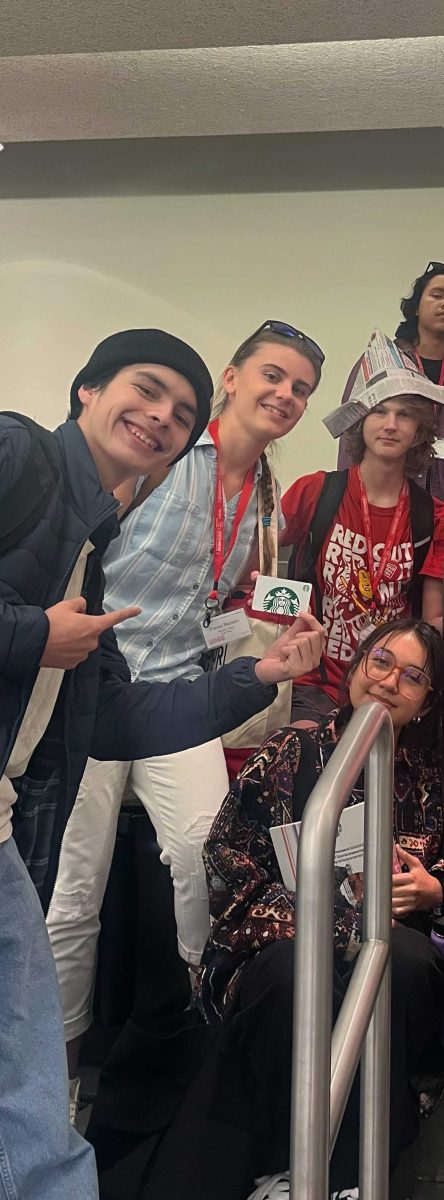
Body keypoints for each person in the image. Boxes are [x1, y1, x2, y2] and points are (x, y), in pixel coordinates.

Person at [0, 328, 326, 1200]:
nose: (285, 395)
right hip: (76, 683)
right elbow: (69, 576)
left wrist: (264, 660)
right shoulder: (81, 457)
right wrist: (41, 634)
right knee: (67, 896)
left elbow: (225, 601)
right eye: (271, 375)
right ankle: (57, 1094)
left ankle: (205, 1063)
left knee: (209, 858)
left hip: (146, 688)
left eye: (300, 387)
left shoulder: (263, 494)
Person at [144, 619, 444, 1200]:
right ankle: (302, 1167)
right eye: (381, 661)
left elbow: (440, 867)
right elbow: (229, 857)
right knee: (293, 975)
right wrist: (324, 921)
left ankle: (338, 1173)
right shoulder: (292, 748)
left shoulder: (428, 778)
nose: (389, 681)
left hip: (383, 935)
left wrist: (432, 887)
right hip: (280, 932)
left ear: (427, 700)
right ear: (357, 663)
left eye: (412, 676)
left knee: (405, 968)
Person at [283, 362, 444, 726]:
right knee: (312, 763)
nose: (391, 424)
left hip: (387, 685)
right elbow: (258, 562)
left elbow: (432, 619)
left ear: (419, 431)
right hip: (312, 680)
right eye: (379, 411)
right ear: (360, 422)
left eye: (404, 415)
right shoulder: (316, 492)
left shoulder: (434, 518)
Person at [336, 261, 444, 504]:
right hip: (378, 506)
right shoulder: (379, 364)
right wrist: (349, 499)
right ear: (416, 307)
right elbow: (350, 434)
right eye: (437, 295)